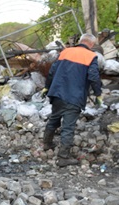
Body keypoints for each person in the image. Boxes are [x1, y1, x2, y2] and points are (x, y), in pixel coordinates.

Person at [42, 33, 102, 167]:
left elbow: (52, 71)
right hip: (74, 96)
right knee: (68, 127)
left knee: (54, 118)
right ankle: (63, 157)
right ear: (91, 44)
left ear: (80, 41)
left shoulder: (65, 52)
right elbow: (93, 77)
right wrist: (98, 94)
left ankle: (47, 144)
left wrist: (47, 88)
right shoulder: (91, 56)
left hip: (57, 93)